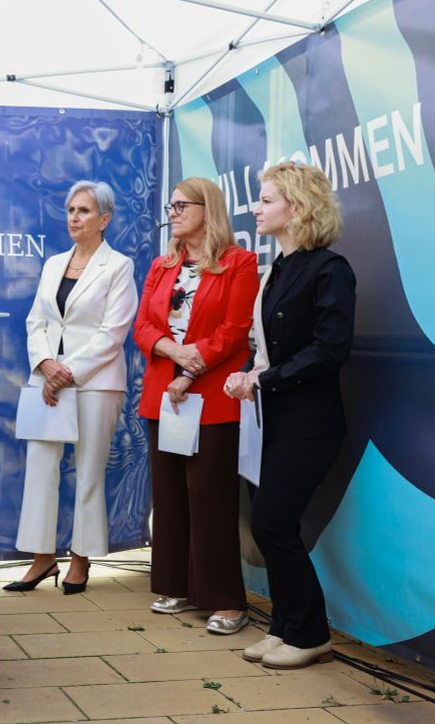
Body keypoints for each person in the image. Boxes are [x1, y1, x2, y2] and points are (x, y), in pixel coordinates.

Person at [225, 162, 355, 669]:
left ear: (297, 209)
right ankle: (286, 628)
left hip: (310, 424)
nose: (256, 207)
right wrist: (247, 374)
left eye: (266, 199)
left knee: (272, 522)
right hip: (272, 421)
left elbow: (330, 348)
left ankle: (310, 633)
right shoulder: (278, 268)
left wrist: (264, 379)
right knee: (269, 525)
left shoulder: (329, 269)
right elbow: (265, 346)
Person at [134, 177, 258, 633]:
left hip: (210, 396)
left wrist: (193, 364)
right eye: (170, 205)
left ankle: (225, 599)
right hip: (163, 396)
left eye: (182, 204)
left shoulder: (239, 262)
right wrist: (172, 351)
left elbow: (234, 328)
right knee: (168, 495)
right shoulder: (162, 265)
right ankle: (178, 585)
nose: (173, 212)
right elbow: (143, 325)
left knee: (209, 496)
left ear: (209, 209)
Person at [5, 181, 137, 595]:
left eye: (83, 211)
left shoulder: (118, 266)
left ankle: (81, 559)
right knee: (41, 469)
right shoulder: (53, 263)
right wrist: (46, 366)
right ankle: (41, 560)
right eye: (70, 210)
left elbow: (112, 333)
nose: (74, 218)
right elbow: (36, 322)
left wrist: (67, 372)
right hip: (47, 383)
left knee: (89, 472)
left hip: (96, 384)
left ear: (105, 219)